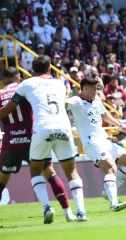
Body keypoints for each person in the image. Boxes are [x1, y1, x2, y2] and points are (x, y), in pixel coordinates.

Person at [0, 56, 87, 224]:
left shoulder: (25, 86)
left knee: (13, 177)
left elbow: (6, 111)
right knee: (60, 172)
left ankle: (47, 207)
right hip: (55, 129)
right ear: (50, 69)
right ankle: (74, 212)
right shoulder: (60, 84)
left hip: (22, 138)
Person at [66, 78, 126, 211]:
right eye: (93, 89)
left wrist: (119, 125)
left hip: (104, 140)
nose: (95, 91)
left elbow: (105, 116)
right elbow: (63, 104)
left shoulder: (96, 100)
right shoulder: (76, 101)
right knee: (111, 168)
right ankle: (113, 203)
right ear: (85, 88)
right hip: (91, 143)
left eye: (96, 89)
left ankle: (109, 191)